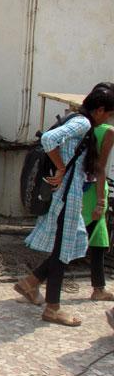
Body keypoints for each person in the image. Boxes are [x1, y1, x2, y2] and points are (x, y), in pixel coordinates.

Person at [14, 84, 114, 326]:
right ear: (100, 110)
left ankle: (35, 288)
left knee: (64, 250)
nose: (109, 120)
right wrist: (61, 166)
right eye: (109, 114)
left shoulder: (81, 121)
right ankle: (53, 308)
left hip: (68, 195)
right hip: (67, 196)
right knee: (62, 252)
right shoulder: (84, 123)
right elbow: (49, 139)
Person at [81, 82, 114, 302]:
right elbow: (99, 168)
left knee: (98, 240)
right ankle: (35, 280)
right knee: (84, 238)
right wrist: (101, 201)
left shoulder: (83, 125)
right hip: (94, 192)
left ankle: (98, 287)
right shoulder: (107, 131)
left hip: (81, 189)